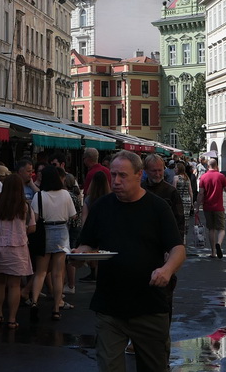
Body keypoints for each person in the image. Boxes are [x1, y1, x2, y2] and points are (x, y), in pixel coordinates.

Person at [74, 151, 185, 372]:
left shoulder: (157, 207)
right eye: (113, 175)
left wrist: (166, 269)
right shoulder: (101, 207)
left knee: (154, 368)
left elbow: (178, 248)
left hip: (149, 306)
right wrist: (79, 255)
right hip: (109, 306)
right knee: (109, 367)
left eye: (122, 175)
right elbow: (87, 243)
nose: (116, 181)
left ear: (139, 175)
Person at [0, 174, 35, 329]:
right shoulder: (24, 206)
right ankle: (12, 319)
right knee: (14, 285)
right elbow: (32, 227)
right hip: (17, 248)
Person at [27, 166, 77, 321]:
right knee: (57, 273)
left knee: (41, 272)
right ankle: (56, 307)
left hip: (44, 233)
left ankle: (34, 301)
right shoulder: (65, 194)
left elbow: (34, 217)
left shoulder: (39, 196)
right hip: (61, 231)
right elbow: (73, 216)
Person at [78, 171, 111, 284]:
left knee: (93, 253)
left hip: (93, 231)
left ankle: (93, 273)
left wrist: (84, 234)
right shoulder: (110, 198)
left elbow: (84, 218)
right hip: (106, 230)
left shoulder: (89, 199)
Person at [142, 155, 185, 238]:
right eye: (154, 171)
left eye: (160, 170)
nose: (157, 174)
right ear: (146, 170)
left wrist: (178, 242)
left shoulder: (171, 192)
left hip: (165, 239)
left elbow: (179, 219)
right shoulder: (139, 189)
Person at [197, 158, 226, 259]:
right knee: (221, 229)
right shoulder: (221, 176)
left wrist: (197, 207)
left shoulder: (203, 177)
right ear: (217, 165)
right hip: (218, 207)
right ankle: (219, 243)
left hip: (207, 207)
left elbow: (201, 193)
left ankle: (213, 252)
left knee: (211, 229)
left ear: (208, 166)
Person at [173, 161, 194, 251]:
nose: (174, 169)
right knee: (186, 220)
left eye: (175, 168)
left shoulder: (176, 178)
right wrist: (192, 203)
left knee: (178, 219)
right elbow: (190, 191)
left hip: (179, 201)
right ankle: (184, 238)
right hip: (187, 200)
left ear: (179, 169)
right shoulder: (187, 178)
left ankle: (179, 239)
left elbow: (173, 190)